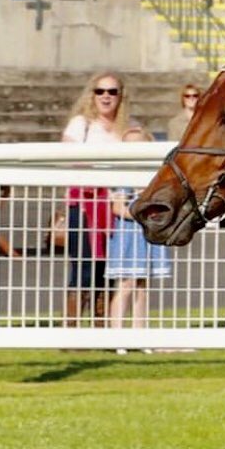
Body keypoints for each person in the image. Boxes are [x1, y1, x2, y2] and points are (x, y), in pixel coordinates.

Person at [60, 71, 136, 325]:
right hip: (84, 201)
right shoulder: (81, 123)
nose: (106, 96)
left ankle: (101, 325)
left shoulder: (128, 126)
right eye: (100, 91)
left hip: (116, 203)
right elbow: (69, 158)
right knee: (83, 264)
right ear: (92, 95)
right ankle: (72, 330)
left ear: (120, 96)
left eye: (112, 91)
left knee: (108, 267)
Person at [106, 126, 173, 351]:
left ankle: (140, 335)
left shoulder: (154, 176)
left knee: (142, 286)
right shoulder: (121, 176)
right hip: (128, 236)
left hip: (146, 236)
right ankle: (117, 337)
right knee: (125, 284)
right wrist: (139, 215)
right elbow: (117, 207)